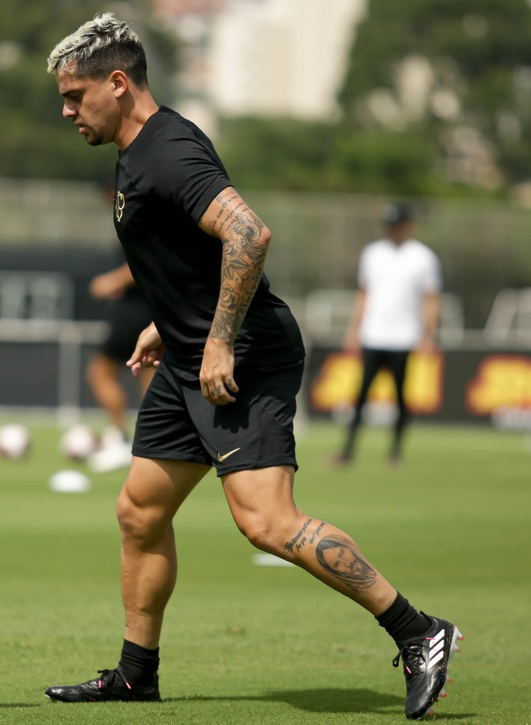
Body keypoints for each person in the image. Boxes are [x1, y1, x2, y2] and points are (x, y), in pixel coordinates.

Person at [43, 13, 461, 720]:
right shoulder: (136, 148)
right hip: (186, 357)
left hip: (241, 358)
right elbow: (189, 254)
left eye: (75, 94)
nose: (66, 109)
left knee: (268, 523)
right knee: (140, 511)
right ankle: (135, 673)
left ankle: (420, 632)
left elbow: (249, 232)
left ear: (119, 83)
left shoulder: (167, 150)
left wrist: (217, 339)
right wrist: (167, 323)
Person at [335, 203, 442, 467]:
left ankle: (395, 453)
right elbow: (364, 294)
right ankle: (347, 451)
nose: (392, 229)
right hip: (373, 334)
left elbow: (431, 299)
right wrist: (354, 329)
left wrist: (428, 335)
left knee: (400, 397)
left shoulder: (423, 257)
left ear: (408, 225)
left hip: (404, 337)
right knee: (360, 397)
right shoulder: (372, 253)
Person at [85, 260, 155, 473]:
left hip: (134, 311)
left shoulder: (139, 225)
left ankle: (122, 439)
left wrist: (111, 281)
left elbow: (146, 258)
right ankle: (151, 443)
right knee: (151, 373)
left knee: (100, 372)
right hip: (159, 307)